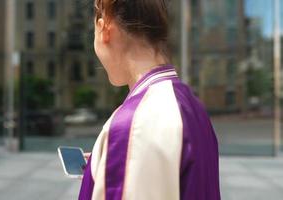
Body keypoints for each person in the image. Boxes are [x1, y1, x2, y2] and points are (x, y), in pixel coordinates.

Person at [79, 0, 221, 199]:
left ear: (104, 29)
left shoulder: (132, 124)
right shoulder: (192, 105)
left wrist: (121, 152)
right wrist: (107, 161)